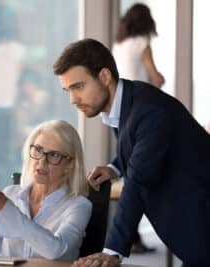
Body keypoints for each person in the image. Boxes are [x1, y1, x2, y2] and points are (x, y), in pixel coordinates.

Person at [53, 38, 210, 267]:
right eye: (68, 90)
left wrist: (112, 250)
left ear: (105, 77)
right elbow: (140, 144)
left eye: (78, 87)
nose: (73, 99)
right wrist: (114, 167)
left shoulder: (149, 111)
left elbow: (138, 182)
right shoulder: (129, 101)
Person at [0, 120, 92, 260]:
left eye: (54, 155)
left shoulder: (79, 205)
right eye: (38, 150)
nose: (42, 161)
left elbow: (56, 251)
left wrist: (6, 209)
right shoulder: (9, 194)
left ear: (69, 164)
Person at [112, 3, 164, 253]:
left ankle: (131, 236)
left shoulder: (119, 43)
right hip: (140, 112)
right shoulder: (142, 42)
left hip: (119, 113)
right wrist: (160, 82)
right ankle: (131, 237)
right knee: (140, 176)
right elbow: (155, 78)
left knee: (130, 174)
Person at [112, 3, 164, 88]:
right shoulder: (142, 43)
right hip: (139, 96)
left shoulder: (118, 44)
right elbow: (156, 80)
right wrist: (161, 78)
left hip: (121, 96)